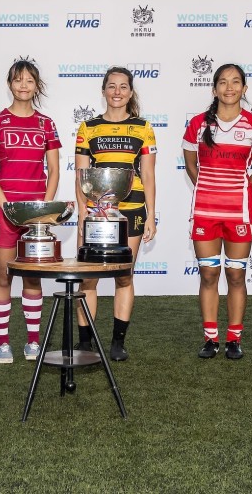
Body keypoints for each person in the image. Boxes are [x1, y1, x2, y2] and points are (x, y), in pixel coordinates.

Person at [182, 63, 252, 360]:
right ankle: (211, 338)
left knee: (235, 275)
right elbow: (191, 165)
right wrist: (210, 190)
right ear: (214, 88)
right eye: (223, 82)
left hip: (239, 213)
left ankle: (234, 338)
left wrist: (237, 192)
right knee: (208, 274)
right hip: (205, 211)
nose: (229, 87)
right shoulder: (197, 124)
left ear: (244, 88)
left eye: (235, 82)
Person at [0, 59, 61, 364]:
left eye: (29, 80)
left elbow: (54, 171)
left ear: (36, 85)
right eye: (17, 80)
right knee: (3, 276)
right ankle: (2, 343)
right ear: (9, 84)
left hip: (35, 215)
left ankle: (33, 342)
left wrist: (43, 212)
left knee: (32, 278)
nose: (23, 85)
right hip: (4, 211)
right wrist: (7, 207)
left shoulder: (46, 124)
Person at [74, 67, 158, 361]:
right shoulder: (88, 128)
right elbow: (81, 175)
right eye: (112, 86)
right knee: (88, 279)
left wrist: (151, 215)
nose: (117, 92)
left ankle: (117, 343)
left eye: (123, 87)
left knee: (124, 276)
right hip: (97, 211)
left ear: (130, 92)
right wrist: (83, 214)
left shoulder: (143, 128)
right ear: (104, 91)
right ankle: (85, 342)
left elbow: (149, 175)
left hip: (132, 209)